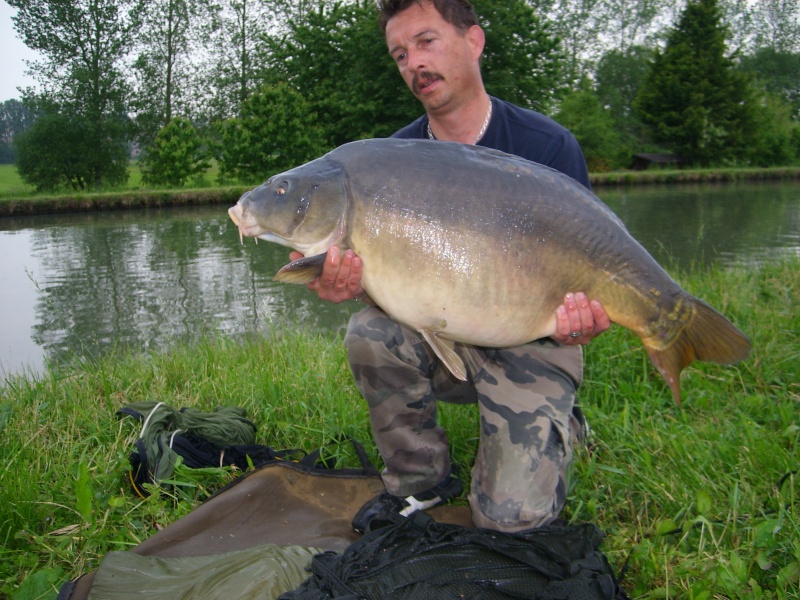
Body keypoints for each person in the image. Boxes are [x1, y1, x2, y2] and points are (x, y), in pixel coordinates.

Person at [291, 0, 611, 533]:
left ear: (474, 41)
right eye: (399, 54)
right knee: (369, 331)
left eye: (426, 41)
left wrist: (591, 316)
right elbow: (396, 291)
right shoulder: (392, 158)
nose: (413, 63)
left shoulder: (548, 147)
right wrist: (351, 283)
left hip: (535, 339)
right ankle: (420, 483)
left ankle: (559, 418)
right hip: (444, 334)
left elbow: (592, 267)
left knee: (510, 521)